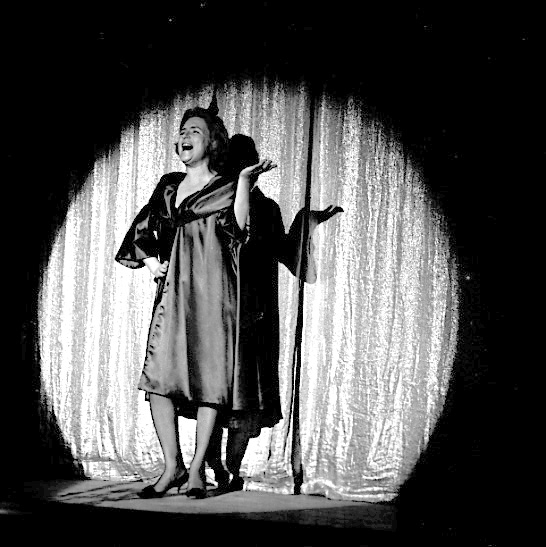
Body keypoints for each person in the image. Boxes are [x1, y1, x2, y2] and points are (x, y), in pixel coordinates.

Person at [115, 106, 276, 499]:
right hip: (175, 291)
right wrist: (152, 263)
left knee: (210, 381)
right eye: (183, 130)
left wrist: (243, 181)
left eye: (195, 131)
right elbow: (142, 229)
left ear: (212, 142)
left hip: (216, 291)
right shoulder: (169, 186)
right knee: (159, 380)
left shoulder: (226, 186)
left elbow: (238, 229)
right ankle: (172, 466)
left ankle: (197, 470)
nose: (185, 136)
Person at [204, 134, 343, 492]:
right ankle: (215, 467)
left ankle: (230, 471)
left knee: (246, 398)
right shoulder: (213, 205)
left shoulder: (267, 208)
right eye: (238, 165)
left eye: (249, 164)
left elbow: (286, 253)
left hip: (256, 317)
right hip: (218, 315)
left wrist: (307, 221)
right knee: (215, 397)